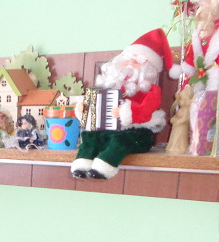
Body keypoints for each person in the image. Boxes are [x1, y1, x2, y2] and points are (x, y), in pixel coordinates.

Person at [70, 28, 178, 180]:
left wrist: (125, 112)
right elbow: (97, 109)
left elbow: (146, 109)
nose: (131, 63)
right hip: (110, 130)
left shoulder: (152, 90)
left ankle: (105, 168)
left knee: (121, 140)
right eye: (128, 59)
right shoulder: (112, 85)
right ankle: (82, 165)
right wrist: (84, 109)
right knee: (90, 135)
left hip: (138, 132)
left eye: (138, 61)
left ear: (150, 69)